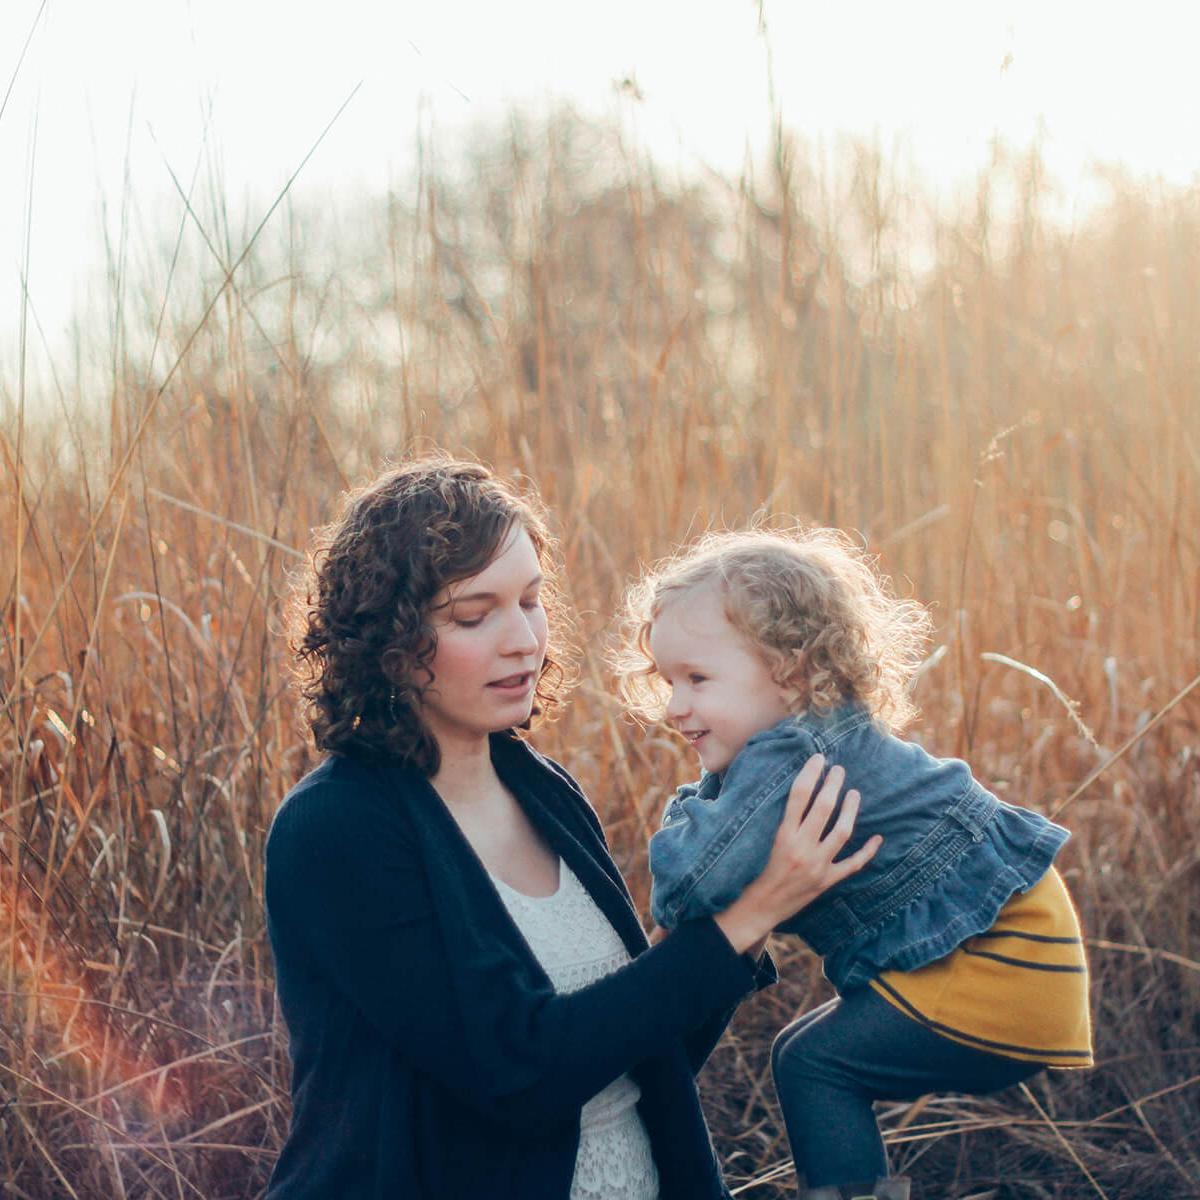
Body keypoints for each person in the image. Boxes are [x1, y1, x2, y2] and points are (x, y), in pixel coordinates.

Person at [263, 456, 880, 1200]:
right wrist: (751, 913)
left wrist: (749, 903)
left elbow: (641, 1055)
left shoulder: (542, 789)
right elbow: (516, 1074)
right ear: (387, 640)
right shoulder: (337, 829)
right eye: (473, 614)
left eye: (530, 600)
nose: (523, 639)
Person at [616, 526, 1094, 1200]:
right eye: (668, 680)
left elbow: (691, 881)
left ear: (792, 669)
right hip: (1026, 953)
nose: (675, 706)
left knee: (816, 1066)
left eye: (697, 678)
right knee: (798, 1055)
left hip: (1000, 964)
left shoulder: (787, 755)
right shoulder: (821, 735)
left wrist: (692, 805)